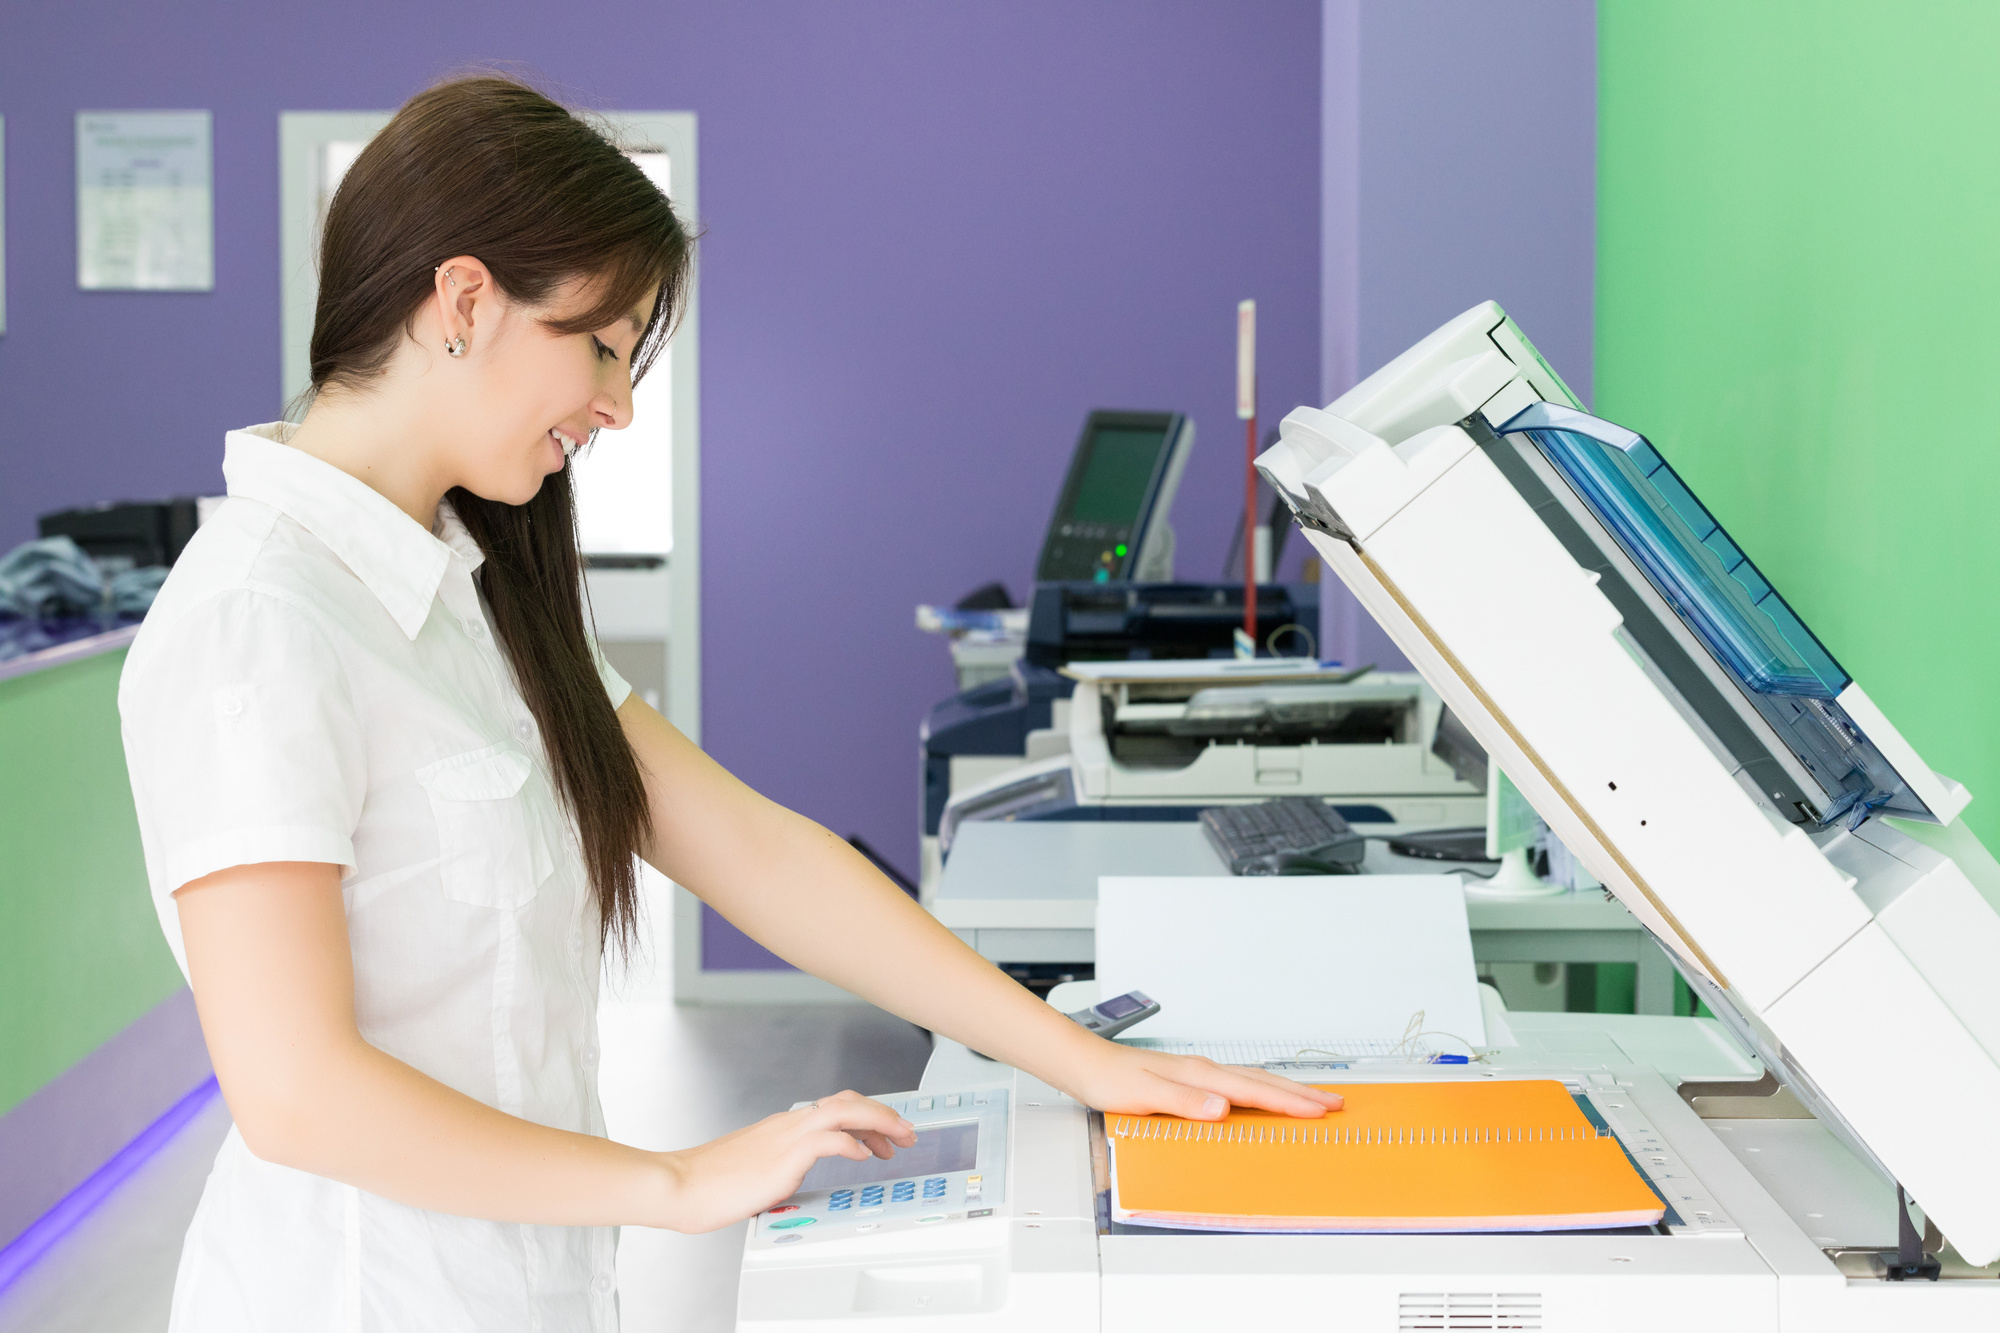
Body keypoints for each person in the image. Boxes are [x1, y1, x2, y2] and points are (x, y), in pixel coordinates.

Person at [118, 75, 1341, 1331]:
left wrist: (1086, 1059)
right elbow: (296, 1092)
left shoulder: (474, 589)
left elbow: (753, 850)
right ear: (465, 301)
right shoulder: (260, 619)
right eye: (600, 342)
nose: (619, 402)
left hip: (528, 1284)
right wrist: (682, 1176)